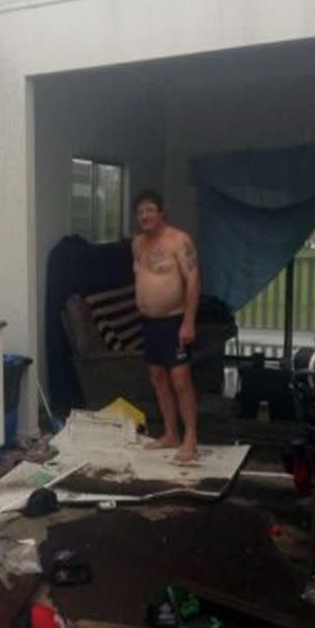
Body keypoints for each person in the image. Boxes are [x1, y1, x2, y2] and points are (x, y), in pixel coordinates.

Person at [131, 189, 200, 462]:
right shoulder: (137, 244)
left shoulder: (179, 240)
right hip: (149, 323)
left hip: (175, 321)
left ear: (161, 212)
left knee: (180, 380)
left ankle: (190, 438)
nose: (144, 216)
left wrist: (189, 322)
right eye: (140, 212)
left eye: (149, 210)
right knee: (158, 378)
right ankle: (171, 433)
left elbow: (193, 280)